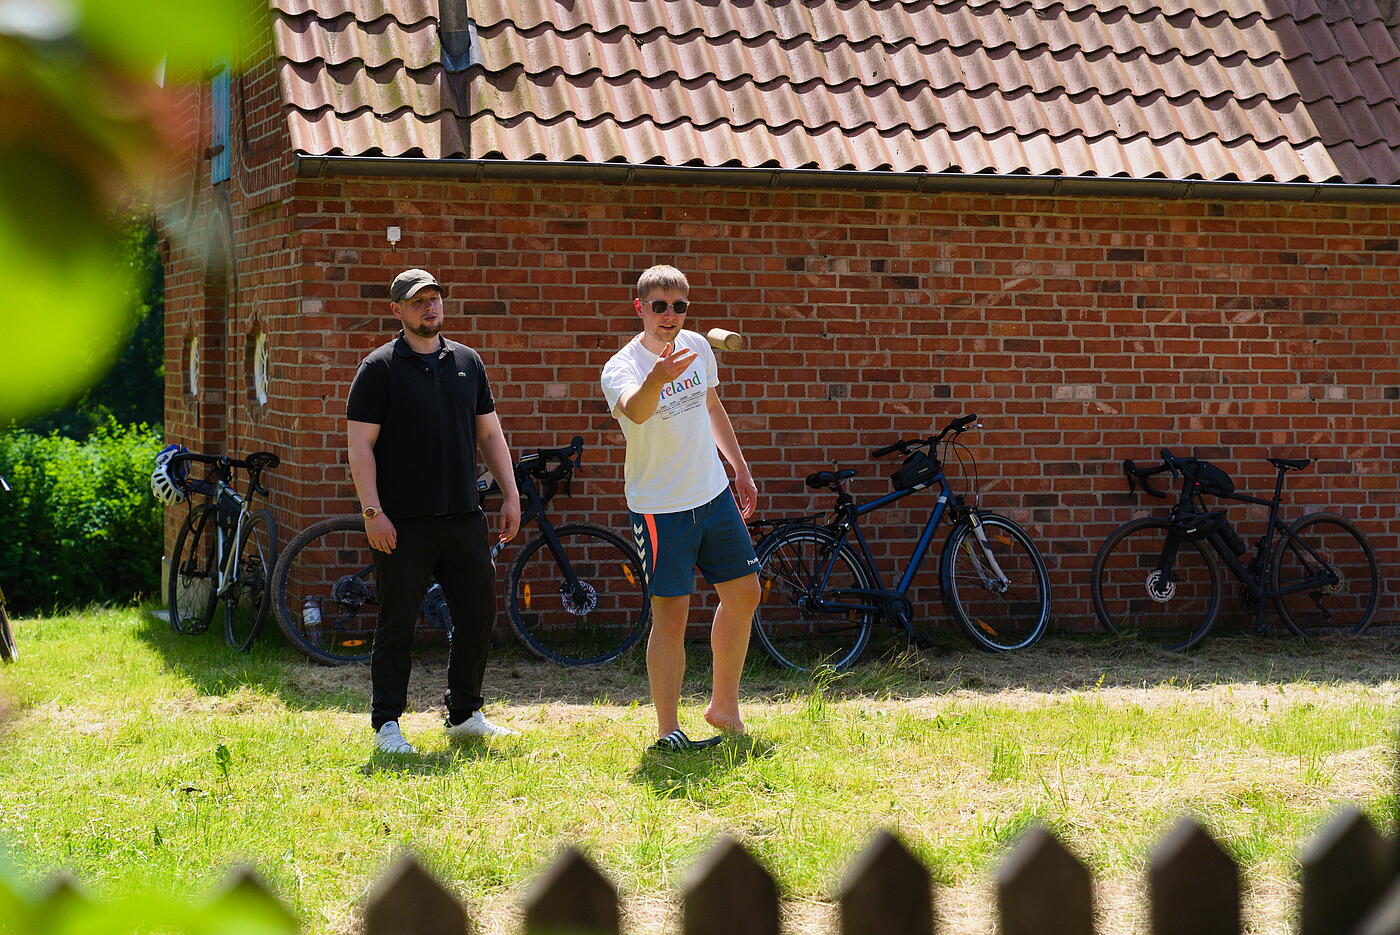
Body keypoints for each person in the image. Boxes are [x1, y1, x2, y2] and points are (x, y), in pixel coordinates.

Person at [346, 268, 522, 754]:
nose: (430, 307)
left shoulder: (467, 361)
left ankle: (464, 713)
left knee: (477, 614)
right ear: (397, 310)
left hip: (464, 515)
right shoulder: (378, 368)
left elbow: (489, 433)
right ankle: (387, 725)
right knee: (397, 622)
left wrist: (510, 494)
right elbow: (360, 446)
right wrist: (371, 511)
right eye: (418, 301)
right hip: (402, 522)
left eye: (435, 298)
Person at [601, 265, 761, 751]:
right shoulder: (621, 366)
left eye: (679, 306)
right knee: (671, 616)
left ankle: (723, 707)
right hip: (659, 508)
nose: (670, 316)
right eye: (659, 306)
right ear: (640, 309)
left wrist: (739, 466)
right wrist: (657, 377)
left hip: (712, 494)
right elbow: (637, 410)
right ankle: (668, 729)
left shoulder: (700, 347)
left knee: (745, 595)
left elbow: (711, 406)